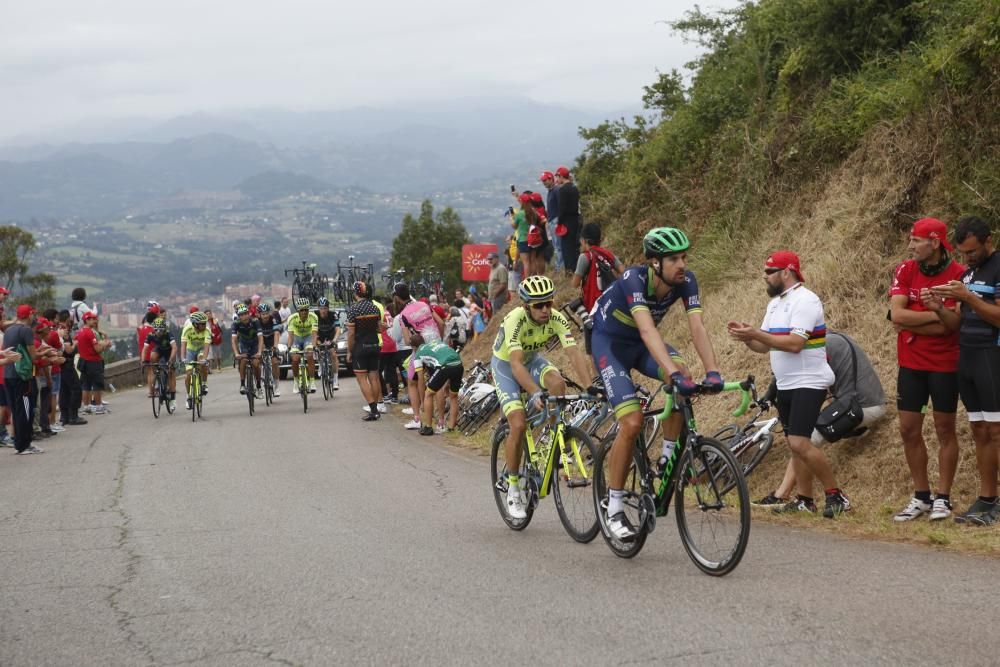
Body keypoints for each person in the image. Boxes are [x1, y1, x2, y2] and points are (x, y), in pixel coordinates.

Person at [592, 228, 724, 540]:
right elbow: (649, 331)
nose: (682, 264)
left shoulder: (686, 281)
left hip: (639, 345)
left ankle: (667, 458)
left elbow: (697, 326)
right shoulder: (633, 281)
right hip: (609, 345)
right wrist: (671, 373)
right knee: (633, 422)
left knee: (684, 378)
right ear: (655, 263)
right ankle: (614, 508)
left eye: (684, 257)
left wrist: (713, 370)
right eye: (674, 259)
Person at [729, 250, 851, 518]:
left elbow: (795, 344)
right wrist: (747, 337)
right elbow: (763, 345)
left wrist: (756, 334)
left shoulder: (806, 300)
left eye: (769, 271)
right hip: (785, 383)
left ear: (787, 272)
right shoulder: (775, 304)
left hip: (809, 380)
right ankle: (805, 500)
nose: (764, 277)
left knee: (799, 443)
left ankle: (836, 495)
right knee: (796, 444)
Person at [491, 274, 595, 519]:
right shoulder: (514, 320)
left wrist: (590, 387)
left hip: (532, 359)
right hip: (506, 365)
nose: (546, 309)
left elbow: (574, 353)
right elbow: (516, 365)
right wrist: (535, 392)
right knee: (517, 422)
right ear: (526, 306)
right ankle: (514, 486)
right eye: (539, 305)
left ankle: (550, 438)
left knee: (558, 383)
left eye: (549, 302)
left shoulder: (556, 318)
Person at [885, 218, 966, 521]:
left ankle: (943, 498)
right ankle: (921, 496)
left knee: (945, 428)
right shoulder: (907, 269)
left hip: (944, 364)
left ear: (934, 242)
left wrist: (920, 320)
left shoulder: (957, 274)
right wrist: (933, 319)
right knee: (908, 429)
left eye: (917, 240)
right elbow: (896, 314)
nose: (911, 245)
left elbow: (952, 325)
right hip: (911, 364)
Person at [922, 216, 1000, 525]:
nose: (966, 259)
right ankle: (986, 498)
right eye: (962, 254)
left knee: (996, 431)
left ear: (988, 241)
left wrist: (967, 297)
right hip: (966, 356)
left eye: (972, 252)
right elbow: (958, 324)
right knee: (979, 430)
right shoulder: (967, 275)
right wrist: (939, 308)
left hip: (992, 356)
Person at [755, 332, 887, 506]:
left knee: (804, 439)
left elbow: (811, 384)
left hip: (861, 407)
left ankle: (783, 494)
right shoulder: (829, 339)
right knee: (803, 434)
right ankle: (799, 497)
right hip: (859, 402)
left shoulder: (819, 347)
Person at [410, 332, 464, 436]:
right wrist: (448, 382)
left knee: (428, 394)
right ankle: (451, 428)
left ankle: (428, 427)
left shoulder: (418, 354)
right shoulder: (436, 342)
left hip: (445, 366)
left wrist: (422, 400)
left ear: (414, 347)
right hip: (458, 364)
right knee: (453, 396)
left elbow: (420, 379)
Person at [346, 282, 385, 421]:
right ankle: (377, 406)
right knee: (374, 377)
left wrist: (349, 351)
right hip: (374, 344)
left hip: (360, 346)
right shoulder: (374, 307)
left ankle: (373, 409)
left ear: (355, 293)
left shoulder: (353, 309)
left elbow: (351, 334)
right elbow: (379, 329)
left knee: (362, 379)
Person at [3, 306, 35, 453]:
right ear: (29, 315)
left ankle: (18, 443)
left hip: (8, 374)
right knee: (25, 410)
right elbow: (32, 356)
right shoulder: (26, 330)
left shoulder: (9, 330)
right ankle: (25, 444)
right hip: (22, 375)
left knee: (16, 410)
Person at [76, 312, 111, 415]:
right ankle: (99, 406)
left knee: (86, 385)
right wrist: (105, 343)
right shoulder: (90, 332)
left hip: (84, 361)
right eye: (92, 319)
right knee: (97, 385)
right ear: (87, 320)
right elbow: (97, 349)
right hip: (93, 362)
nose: (95, 321)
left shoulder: (80, 331)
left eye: (95, 319)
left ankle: (86, 407)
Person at [143, 317, 177, 411]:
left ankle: (173, 399)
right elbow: (145, 349)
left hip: (169, 351)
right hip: (160, 350)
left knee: (170, 373)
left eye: (161, 330)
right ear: (154, 329)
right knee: (152, 356)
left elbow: (174, 348)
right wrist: (143, 362)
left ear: (164, 329)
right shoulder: (151, 334)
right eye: (157, 330)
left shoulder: (168, 333)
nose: (159, 332)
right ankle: (157, 376)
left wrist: (170, 360)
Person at [284, 298, 318, 394]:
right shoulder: (292, 318)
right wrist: (289, 348)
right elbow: (290, 335)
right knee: (295, 359)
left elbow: (314, 334)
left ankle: (312, 381)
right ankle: (296, 381)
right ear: (298, 310)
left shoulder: (313, 317)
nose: (304, 312)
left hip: (308, 337)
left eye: (306, 310)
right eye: (302, 310)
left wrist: (314, 347)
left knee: (310, 355)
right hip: (296, 338)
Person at [180, 311, 211, 410]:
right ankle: (189, 396)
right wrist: (183, 358)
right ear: (195, 324)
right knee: (188, 374)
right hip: (190, 349)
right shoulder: (187, 329)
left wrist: (205, 359)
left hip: (201, 349)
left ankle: (204, 384)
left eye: (205, 323)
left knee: (202, 360)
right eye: (202, 324)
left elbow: (206, 347)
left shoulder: (207, 331)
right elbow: (183, 345)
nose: (204, 325)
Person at [555, 166, 581, 273]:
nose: (557, 179)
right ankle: (577, 268)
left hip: (566, 221)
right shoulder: (574, 188)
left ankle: (569, 270)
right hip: (576, 219)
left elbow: (562, 209)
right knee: (575, 246)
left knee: (566, 247)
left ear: (561, 176)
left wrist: (559, 222)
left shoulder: (563, 190)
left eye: (557, 177)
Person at [256, 303, 282, 396]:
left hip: (271, 341)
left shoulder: (273, 319)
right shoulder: (257, 322)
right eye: (263, 314)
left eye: (267, 313)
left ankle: (277, 386)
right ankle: (262, 374)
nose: (265, 316)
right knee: (257, 361)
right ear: (259, 315)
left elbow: (276, 333)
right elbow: (258, 337)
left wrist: (275, 346)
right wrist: (261, 347)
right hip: (261, 342)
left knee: (274, 362)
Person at [315, 297, 341, 391]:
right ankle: (321, 365)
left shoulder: (333, 315)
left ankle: (335, 379)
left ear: (328, 308)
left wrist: (334, 340)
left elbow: (338, 329)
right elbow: (312, 331)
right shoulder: (315, 315)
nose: (323, 310)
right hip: (320, 336)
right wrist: (316, 341)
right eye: (321, 308)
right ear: (318, 308)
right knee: (317, 350)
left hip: (330, 336)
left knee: (333, 355)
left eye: (325, 308)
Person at [540, 171, 562, 269]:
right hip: (552, 221)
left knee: (558, 246)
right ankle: (559, 265)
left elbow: (561, 206)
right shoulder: (551, 191)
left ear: (550, 178)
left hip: (556, 221)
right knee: (556, 245)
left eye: (545, 180)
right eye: (542, 181)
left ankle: (560, 266)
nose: (543, 182)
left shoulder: (556, 190)